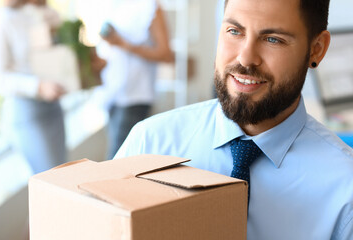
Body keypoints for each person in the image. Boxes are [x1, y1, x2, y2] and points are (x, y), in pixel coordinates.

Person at [115, 0, 353, 239]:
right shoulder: (149, 143)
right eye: (234, 31)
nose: (246, 58)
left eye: (273, 39)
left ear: (317, 49)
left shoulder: (345, 189)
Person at [0, 0, 67, 174]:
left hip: (54, 106)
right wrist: (38, 86)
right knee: (51, 179)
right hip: (27, 112)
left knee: (63, 172)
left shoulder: (44, 12)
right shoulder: (3, 20)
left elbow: (58, 50)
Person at [95, 0, 174, 159]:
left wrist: (123, 44)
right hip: (112, 94)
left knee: (117, 161)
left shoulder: (150, 8)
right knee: (118, 160)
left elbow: (166, 54)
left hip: (136, 97)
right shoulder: (113, 7)